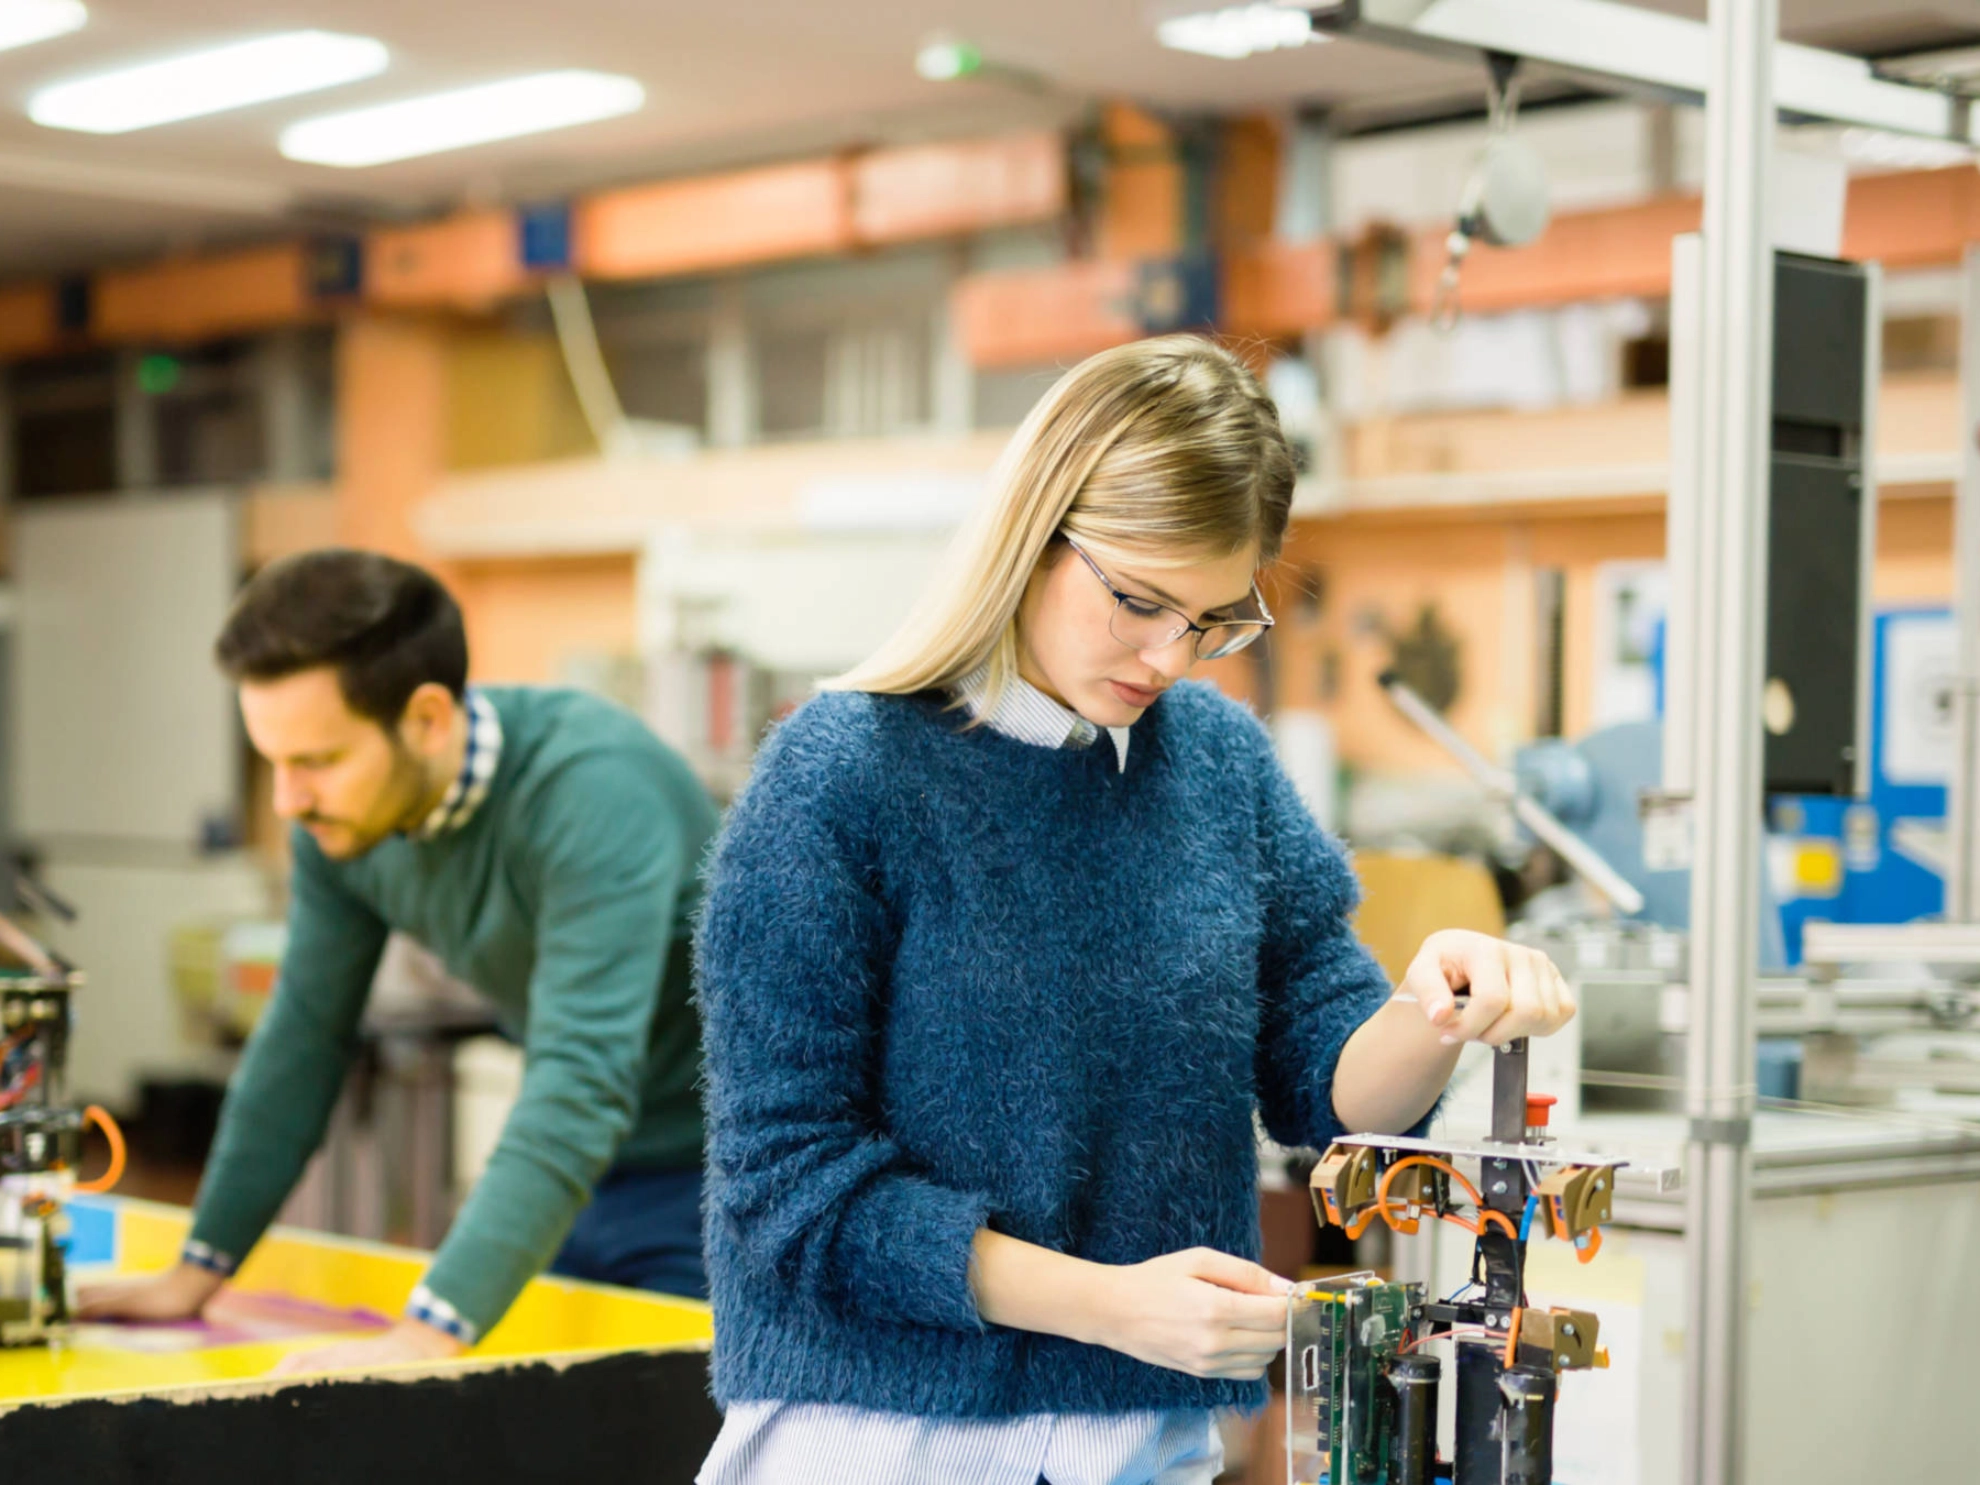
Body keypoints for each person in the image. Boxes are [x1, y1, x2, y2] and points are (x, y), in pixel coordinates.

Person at [692, 335, 1576, 1485]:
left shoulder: (1216, 766)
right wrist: (1107, 1307)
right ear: (1035, 530)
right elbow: (787, 1192)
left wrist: (1435, 1005)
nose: (1171, 656)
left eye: (1215, 618)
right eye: (1139, 601)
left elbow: (1334, 1089)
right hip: (879, 1439)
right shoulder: (842, 775)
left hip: (1143, 1445)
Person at [80, 550, 719, 1373]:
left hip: (720, 1178)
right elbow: (303, 1036)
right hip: (581, 1180)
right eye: (273, 762)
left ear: (425, 719)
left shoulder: (592, 792)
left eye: (316, 761)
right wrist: (195, 1269)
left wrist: (424, 1334)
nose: (288, 801)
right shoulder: (342, 826)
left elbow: (579, 1078)